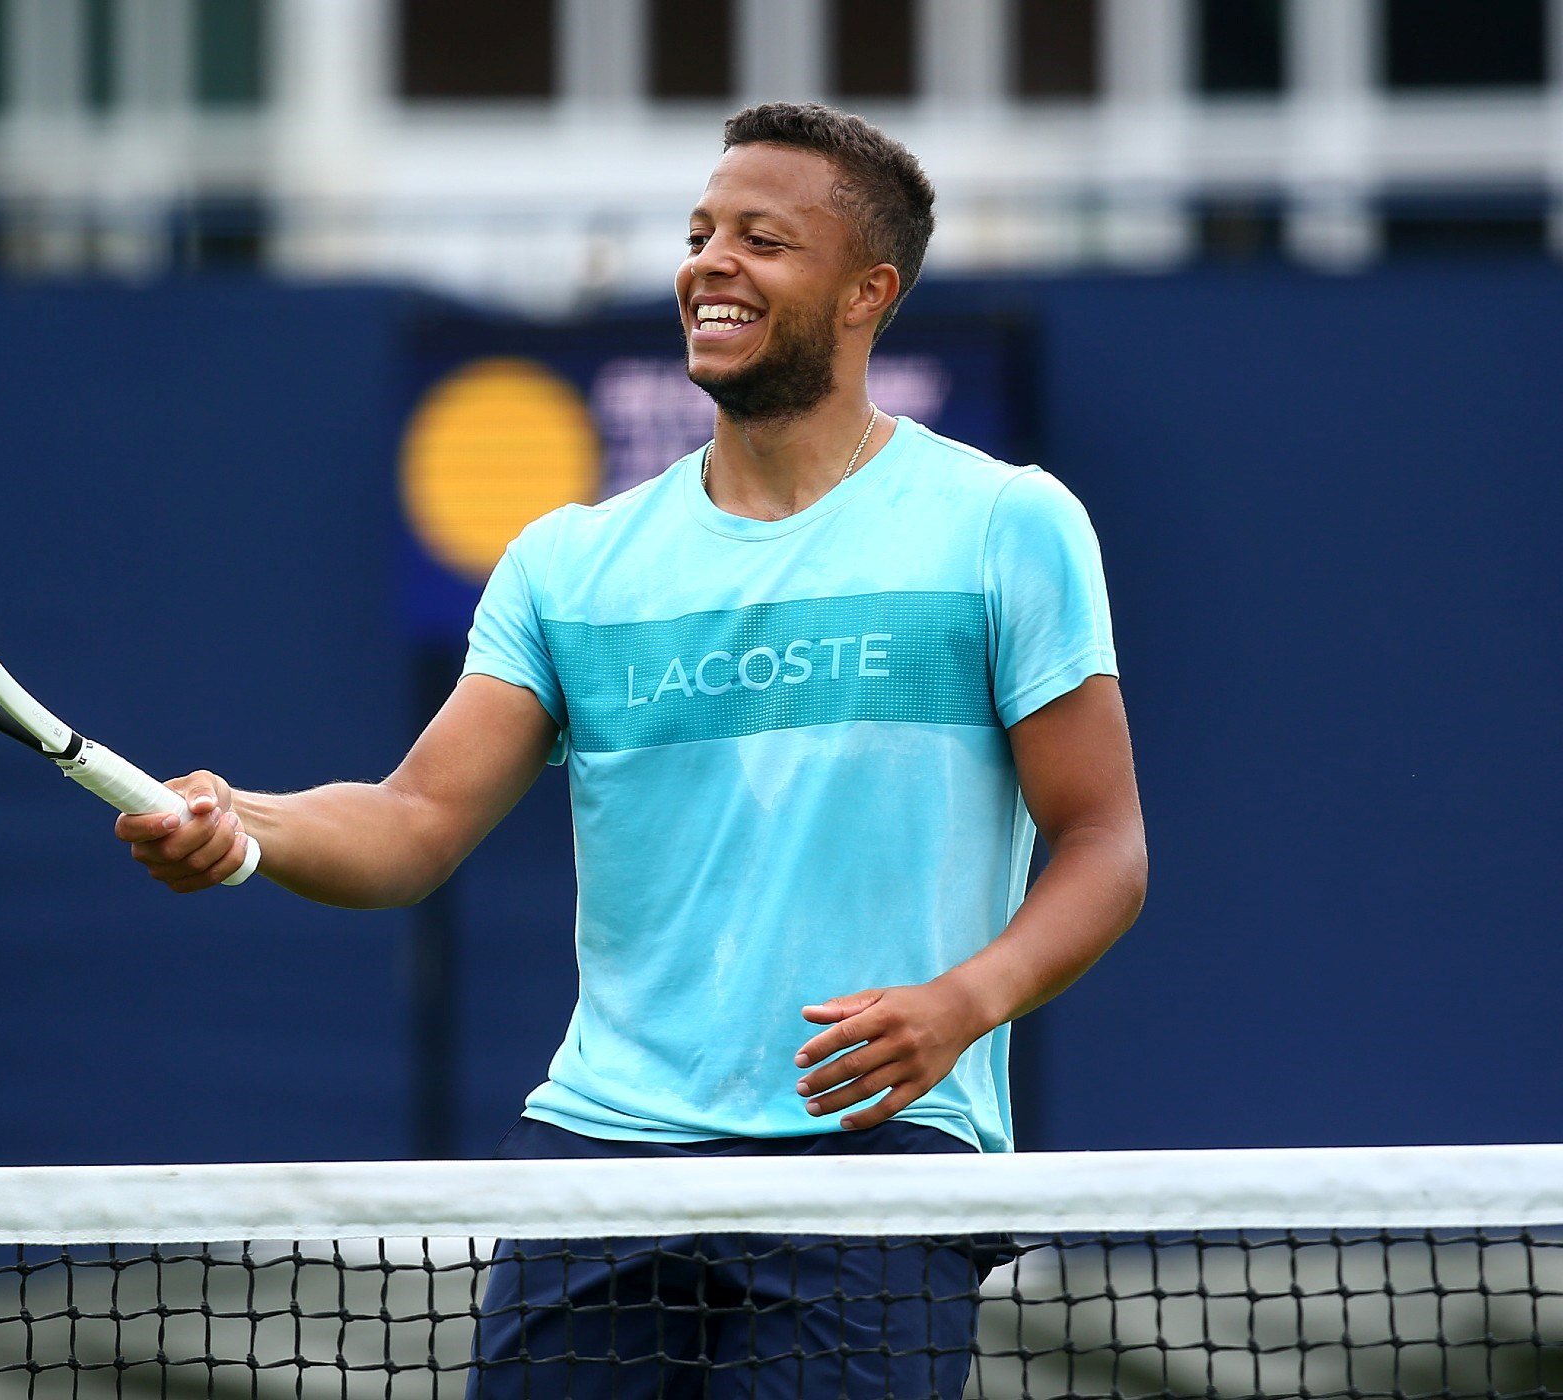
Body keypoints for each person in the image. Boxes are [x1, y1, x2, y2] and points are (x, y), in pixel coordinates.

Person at [117, 103, 1148, 1397]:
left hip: (876, 1158)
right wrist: (245, 826)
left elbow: (1105, 843)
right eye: (701, 232)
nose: (711, 262)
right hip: (602, 1165)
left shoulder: (1006, 526)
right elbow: (415, 820)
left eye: (763, 240)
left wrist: (963, 1002)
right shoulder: (569, 565)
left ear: (866, 294)